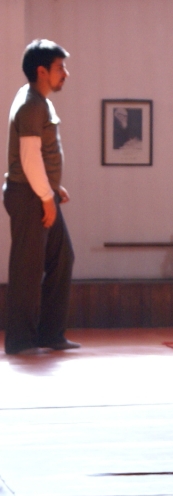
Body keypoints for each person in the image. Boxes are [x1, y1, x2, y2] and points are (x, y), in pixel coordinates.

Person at [4, 39, 77, 355]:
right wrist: (47, 197)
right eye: (60, 67)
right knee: (28, 268)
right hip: (30, 197)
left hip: (39, 193)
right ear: (42, 71)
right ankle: (20, 341)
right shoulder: (32, 104)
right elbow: (29, 156)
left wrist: (52, 189)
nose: (66, 73)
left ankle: (50, 334)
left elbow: (39, 156)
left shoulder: (37, 100)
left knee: (62, 258)